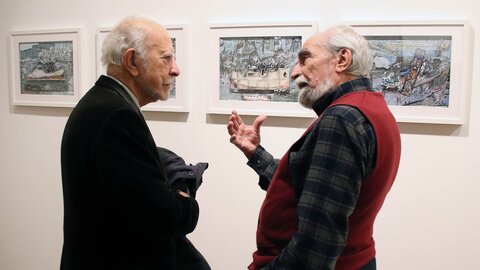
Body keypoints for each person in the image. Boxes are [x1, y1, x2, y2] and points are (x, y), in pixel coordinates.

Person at [227, 25, 401, 270]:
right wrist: (255, 153)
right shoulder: (370, 108)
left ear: (342, 59)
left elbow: (315, 248)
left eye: (305, 58)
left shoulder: (342, 119)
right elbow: (309, 185)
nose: (295, 72)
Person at [60, 16, 209, 270]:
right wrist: (186, 197)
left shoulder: (101, 103)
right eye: (166, 58)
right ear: (132, 61)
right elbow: (162, 216)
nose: (176, 69)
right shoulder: (117, 116)